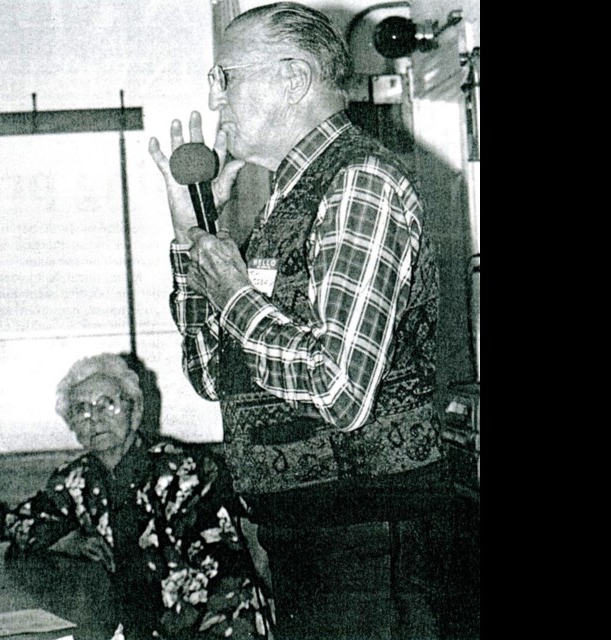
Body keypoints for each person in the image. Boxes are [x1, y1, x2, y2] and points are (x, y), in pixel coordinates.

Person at [148, 3, 450, 638]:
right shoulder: (286, 199)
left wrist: (233, 293)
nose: (215, 97)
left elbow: (338, 389)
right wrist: (195, 239)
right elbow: (214, 374)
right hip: (304, 538)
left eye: (224, 75)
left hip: (366, 542)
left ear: (292, 79)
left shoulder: (359, 183)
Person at [1, 353, 273, 640]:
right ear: (72, 425)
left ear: (136, 410)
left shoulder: (183, 473)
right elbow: (17, 522)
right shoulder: (77, 479)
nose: (95, 417)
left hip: (216, 626)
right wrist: (68, 541)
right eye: (81, 409)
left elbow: (213, 577)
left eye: (108, 403)